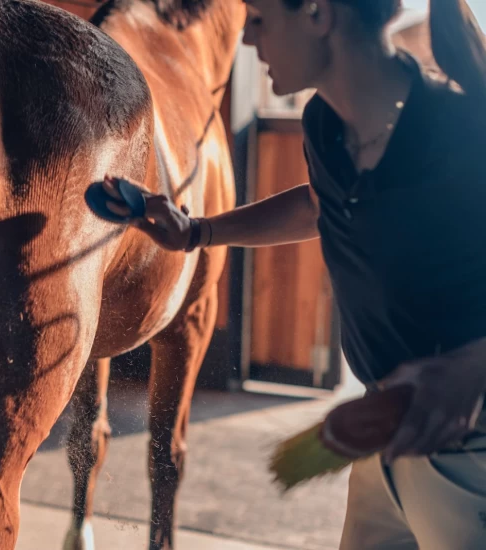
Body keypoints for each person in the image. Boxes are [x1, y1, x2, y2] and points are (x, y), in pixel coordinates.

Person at [98, 0, 486, 547]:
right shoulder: (325, 124)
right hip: (382, 434)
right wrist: (196, 232)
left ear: (318, 15)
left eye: (259, 19)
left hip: (468, 447)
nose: (248, 40)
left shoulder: (461, 130)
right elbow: (317, 203)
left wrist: (473, 366)